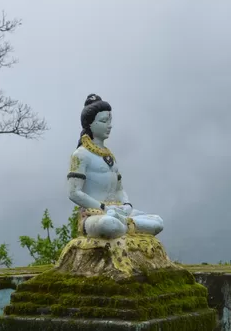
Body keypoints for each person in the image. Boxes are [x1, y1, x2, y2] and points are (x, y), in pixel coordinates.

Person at [65, 94, 164, 240]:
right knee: (109, 224)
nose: (109, 126)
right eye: (104, 121)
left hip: (118, 210)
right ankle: (130, 225)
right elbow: (74, 192)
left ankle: (125, 222)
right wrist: (104, 208)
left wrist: (127, 205)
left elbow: (119, 189)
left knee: (158, 221)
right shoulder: (80, 155)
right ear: (89, 124)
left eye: (109, 121)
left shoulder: (110, 156)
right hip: (95, 215)